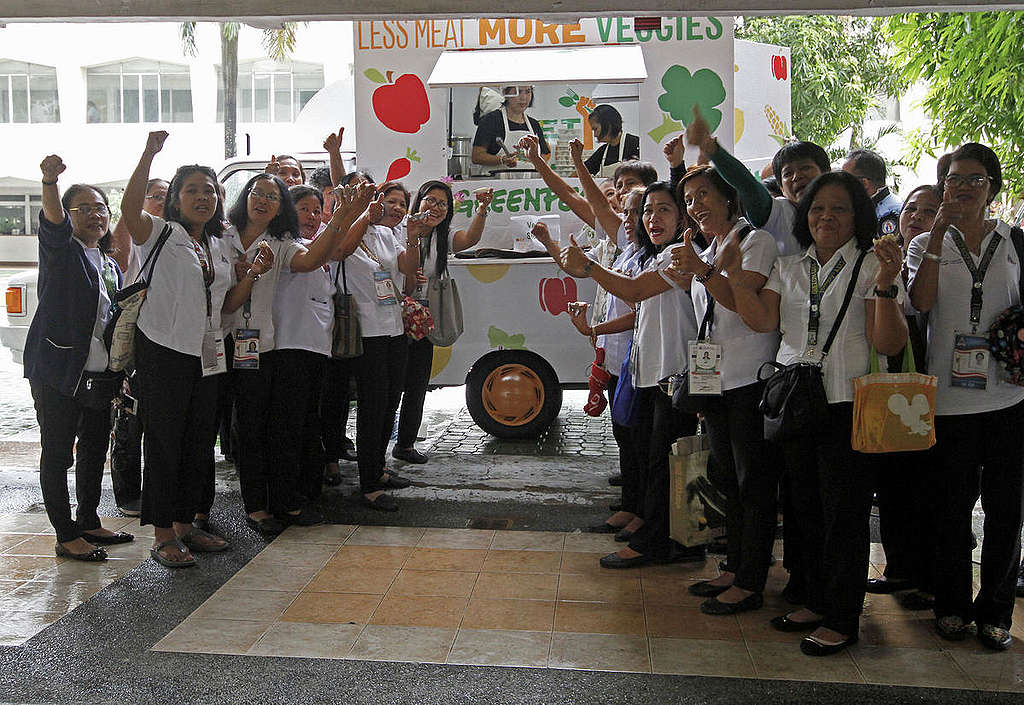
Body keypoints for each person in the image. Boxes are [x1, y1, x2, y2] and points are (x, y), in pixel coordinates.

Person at [725, 170, 907, 656]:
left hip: (846, 401)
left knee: (843, 515)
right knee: (803, 507)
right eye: (817, 208)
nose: (826, 217)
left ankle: (843, 616)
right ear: (805, 216)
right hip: (791, 400)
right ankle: (813, 596)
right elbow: (762, 320)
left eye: (839, 208)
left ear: (859, 217)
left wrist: (888, 285)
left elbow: (888, 343)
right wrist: (733, 276)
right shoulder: (788, 267)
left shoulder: (873, 265)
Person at [121, 131, 257, 567]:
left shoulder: (217, 244)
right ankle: (162, 535)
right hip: (163, 349)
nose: (203, 198)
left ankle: (184, 525)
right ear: (175, 199)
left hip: (208, 352)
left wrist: (250, 275)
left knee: (199, 441)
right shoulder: (158, 232)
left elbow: (226, 303)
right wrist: (148, 154)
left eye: (210, 191)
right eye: (192, 191)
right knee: (164, 441)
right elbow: (127, 210)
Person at [907, 143, 1024, 651]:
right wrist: (936, 231)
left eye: (976, 180)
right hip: (947, 401)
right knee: (949, 509)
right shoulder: (923, 244)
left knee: (1006, 510)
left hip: (1008, 399)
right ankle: (951, 604)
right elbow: (922, 302)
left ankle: (996, 610)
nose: (964, 188)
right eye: (955, 179)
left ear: (993, 188)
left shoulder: (1015, 240)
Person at [557, 181, 703, 569]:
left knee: (664, 461)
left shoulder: (678, 254)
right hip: (653, 373)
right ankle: (669, 537)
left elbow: (636, 292)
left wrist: (587, 266)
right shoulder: (657, 254)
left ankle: (658, 542)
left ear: (684, 216)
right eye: (648, 210)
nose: (652, 218)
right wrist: (594, 330)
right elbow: (639, 309)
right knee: (655, 457)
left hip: (677, 373)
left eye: (664, 210)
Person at [662, 164, 782, 616]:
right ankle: (734, 566)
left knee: (754, 483)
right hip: (715, 381)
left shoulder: (755, 242)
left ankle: (751, 582)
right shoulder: (706, 249)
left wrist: (704, 270)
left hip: (751, 379)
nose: (696, 206)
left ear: (731, 198)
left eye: (704, 195)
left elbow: (747, 307)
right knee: (727, 478)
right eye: (689, 200)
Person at [223, 172, 363, 533]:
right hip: (214, 342)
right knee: (233, 428)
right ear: (245, 197)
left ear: (280, 207)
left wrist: (340, 218)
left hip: (260, 347)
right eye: (258, 193)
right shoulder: (220, 235)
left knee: (267, 426)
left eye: (273, 196)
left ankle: (276, 501)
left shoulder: (282, 242)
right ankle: (223, 509)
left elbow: (314, 258)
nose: (264, 200)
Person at [24, 156, 133, 562]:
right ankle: (65, 533)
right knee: (57, 453)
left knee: (93, 448)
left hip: (100, 375)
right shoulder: (63, 252)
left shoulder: (107, 263)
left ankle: (88, 519)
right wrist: (50, 181)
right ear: (68, 217)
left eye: (100, 207)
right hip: (58, 373)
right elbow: (52, 224)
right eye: (83, 208)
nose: (94, 214)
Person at [270, 183, 373, 508]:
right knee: (290, 425)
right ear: (289, 210)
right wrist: (351, 212)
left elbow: (333, 247)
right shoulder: (286, 246)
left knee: (308, 422)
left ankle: (306, 491)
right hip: (290, 348)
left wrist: (351, 212)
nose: (313, 217)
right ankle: (288, 499)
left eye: (317, 210)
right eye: (305, 209)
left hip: (316, 350)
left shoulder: (313, 243)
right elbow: (331, 251)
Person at [392, 181, 491, 465]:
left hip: (422, 318)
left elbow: (468, 240)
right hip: (392, 316)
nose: (435, 208)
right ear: (418, 202)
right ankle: (376, 446)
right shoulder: (398, 230)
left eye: (442, 204)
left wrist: (482, 209)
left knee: (417, 381)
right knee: (390, 383)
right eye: (430, 201)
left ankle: (405, 444)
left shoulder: (441, 235)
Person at [335, 182, 420, 511]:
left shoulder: (390, 234)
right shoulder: (351, 229)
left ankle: (380, 470)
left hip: (395, 329)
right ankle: (368, 485)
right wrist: (364, 217)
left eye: (403, 203)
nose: (398, 208)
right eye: (391, 201)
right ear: (374, 200)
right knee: (372, 408)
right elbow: (340, 251)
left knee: (389, 404)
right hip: (365, 332)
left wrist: (412, 235)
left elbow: (408, 269)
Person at [687, 105, 829, 257]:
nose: (797, 176)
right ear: (781, 187)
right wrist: (711, 148)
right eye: (788, 173)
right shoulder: (779, 215)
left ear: (827, 174)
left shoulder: (849, 210)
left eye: (805, 168)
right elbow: (747, 186)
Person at [107, 176, 168, 517]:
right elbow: (118, 258)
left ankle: (154, 489)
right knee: (129, 416)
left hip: (163, 337)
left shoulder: (173, 232)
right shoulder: (131, 231)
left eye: (166, 196)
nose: (161, 201)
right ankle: (127, 492)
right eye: (155, 196)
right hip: (132, 338)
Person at [472, 85, 550, 168]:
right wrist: (502, 160)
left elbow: (545, 153)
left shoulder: (534, 124)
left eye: (528, 92)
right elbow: (477, 156)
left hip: (529, 180)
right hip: (498, 179)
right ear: (506, 94)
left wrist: (538, 162)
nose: (524, 98)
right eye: (518, 92)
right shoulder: (491, 120)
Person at [842, 148, 902, 237]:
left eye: (845, 180)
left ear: (864, 183)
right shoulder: (863, 207)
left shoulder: (892, 212)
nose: (840, 185)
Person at [582, 104, 641, 177]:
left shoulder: (636, 144)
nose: (595, 135)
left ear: (608, 125)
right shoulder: (602, 151)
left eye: (595, 129)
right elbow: (581, 172)